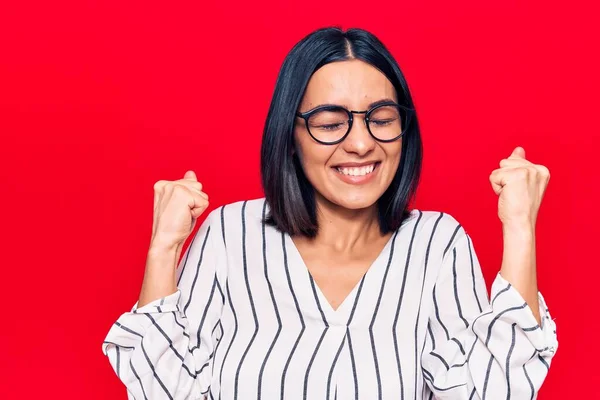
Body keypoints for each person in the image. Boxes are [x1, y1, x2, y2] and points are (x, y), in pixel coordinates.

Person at [102, 27, 558, 400]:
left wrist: (519, 230)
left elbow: (494, 393)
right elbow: (162, 390)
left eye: (381, 118)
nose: (361, 143)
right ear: (291, 132)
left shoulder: (437, 244)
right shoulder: (228, 235)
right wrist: (163, 247)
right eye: (328, 123)